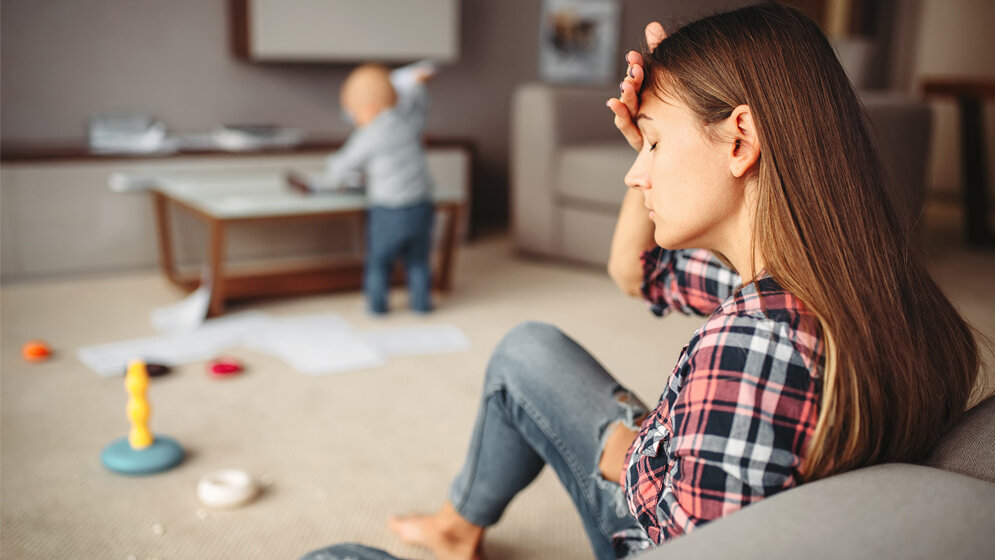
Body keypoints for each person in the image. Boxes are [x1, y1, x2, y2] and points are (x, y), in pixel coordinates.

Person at [300, 4, 981, 560]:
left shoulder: (752, 347)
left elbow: (679, 545)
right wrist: (650, 136)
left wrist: (631, 446)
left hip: (652, 526)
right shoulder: (856, 284)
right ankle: (457, 525)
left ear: (740, 140)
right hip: (690, 479)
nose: (635, 172)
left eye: (652, 142)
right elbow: (634, 273)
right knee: (526, 348)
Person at [291, 62, 437, 314]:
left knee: (379, 261)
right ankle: (422, 305)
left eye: (353, 113)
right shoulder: (409, 122)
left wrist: (330, 165)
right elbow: (419, 105)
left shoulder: (370, 134)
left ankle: (377, 306)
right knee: (418, 260)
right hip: (421, 205)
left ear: (367, 108)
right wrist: (418, 86)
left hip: (389, 210)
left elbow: (342, 166)